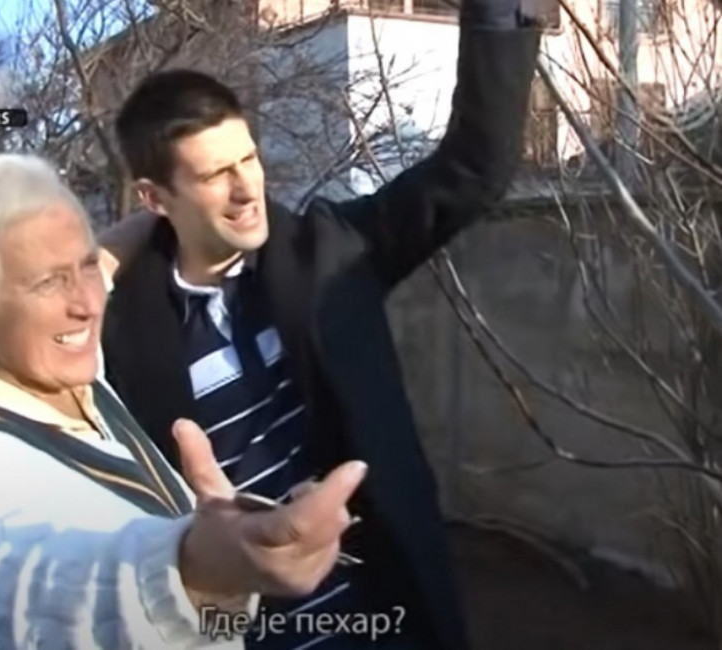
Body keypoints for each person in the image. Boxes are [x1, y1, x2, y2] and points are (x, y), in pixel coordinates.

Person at [98, 3, 542, 648]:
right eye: (216, 174)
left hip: (386, 623)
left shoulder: (330, 255)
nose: (247, 189)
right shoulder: (117, 333)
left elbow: (475, 167)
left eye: (248, 159)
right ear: (153, 197)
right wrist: (100, 259)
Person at [0, 153, 369, 650]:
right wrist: (198, 574)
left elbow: (104, 262)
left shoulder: (32, 368)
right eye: (49, 281)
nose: (87, 304)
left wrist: (172, 211)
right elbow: (33, 593)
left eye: (84, 266)